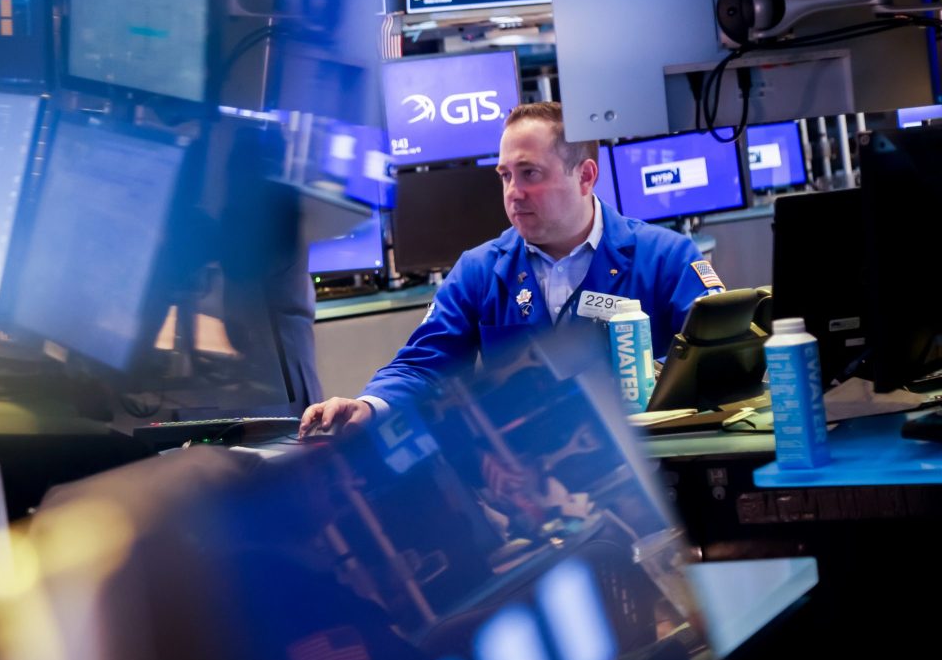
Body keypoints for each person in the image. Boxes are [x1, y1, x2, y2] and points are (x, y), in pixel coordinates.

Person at [300, 102, 724, 436]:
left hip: (655, 471)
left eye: (530, 174)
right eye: (505, 176)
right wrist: (369, 406)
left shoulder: (666, 256)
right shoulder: (481, 270)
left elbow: (718, 354)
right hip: (535, 486)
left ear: (586, 175)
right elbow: (422, 364)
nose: (513, 193)